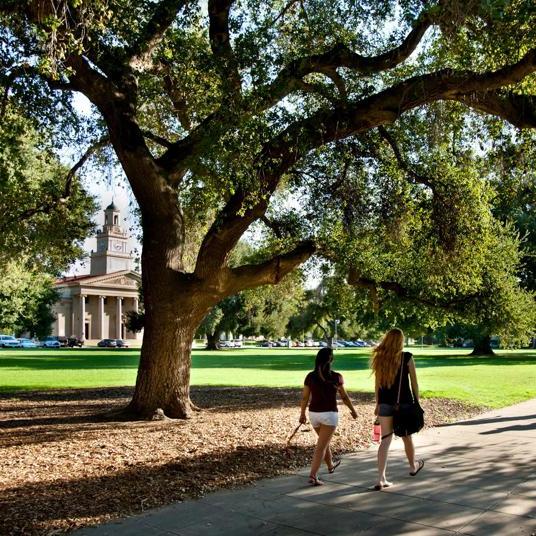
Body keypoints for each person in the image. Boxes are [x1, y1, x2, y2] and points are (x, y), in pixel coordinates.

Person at [371, 328, 424, 490]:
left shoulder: (380, 358)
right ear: (400, 341)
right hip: (405, 404)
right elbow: (414, 382)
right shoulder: (407, 357)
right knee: (407, 437)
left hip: (385, 404)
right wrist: (417, 401)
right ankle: (412, 467)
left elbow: (377, 384)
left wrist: (377, 404)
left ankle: (381, 479)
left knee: (385, 440)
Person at [299, 347, 358, 486]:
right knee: (321, 446)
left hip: (314, 415)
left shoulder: (310, 376)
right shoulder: (337, 377)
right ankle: (313, 475)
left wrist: (302, 413)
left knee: (323, 442)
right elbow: (344, 397)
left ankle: (330, 465)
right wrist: (353, 411)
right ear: (331, 360)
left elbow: (304, 398)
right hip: (330, 415)